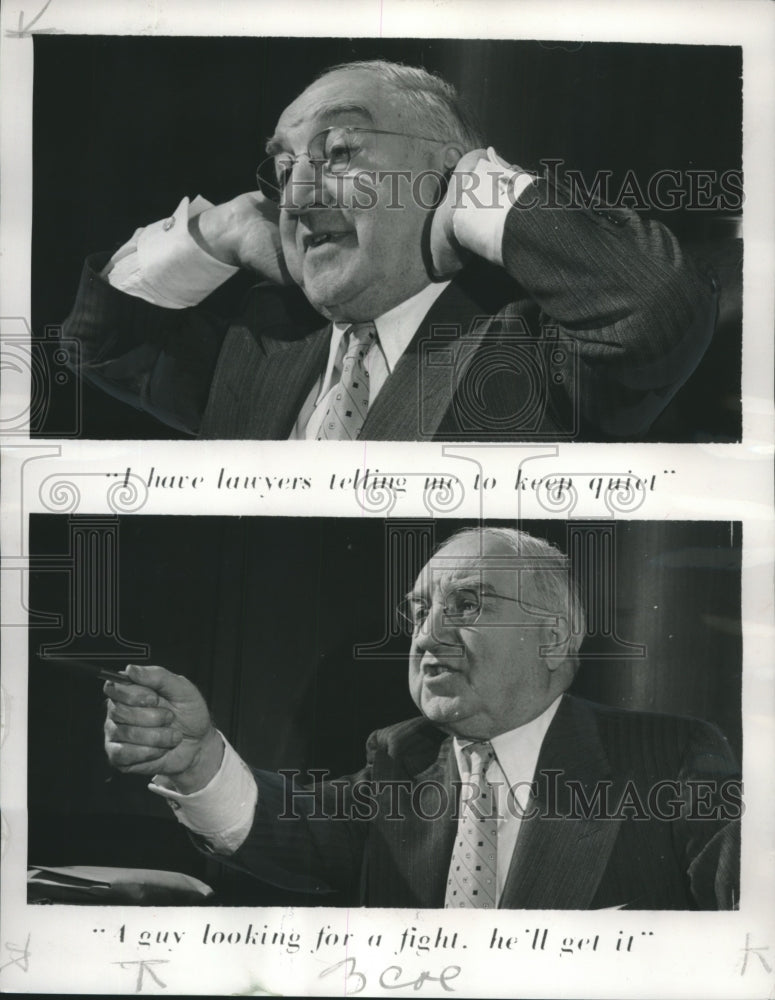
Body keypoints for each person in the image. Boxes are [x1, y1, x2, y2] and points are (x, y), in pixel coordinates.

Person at [64, 60, 717, 441]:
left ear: (443, 175)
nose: (297, 197)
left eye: (340, 152)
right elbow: (102, 340)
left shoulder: (535, 345)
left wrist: (476, 186)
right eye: (283, 168)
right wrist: (222, 228)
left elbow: (656, 308)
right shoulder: (263, 342)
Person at [103, 527, 741, 909]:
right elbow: (290, 826)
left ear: (551, 639)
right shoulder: (401, 757)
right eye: (419, 611)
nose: (427, 637)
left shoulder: (671, 759)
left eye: (467, 604)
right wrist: (197, 760)